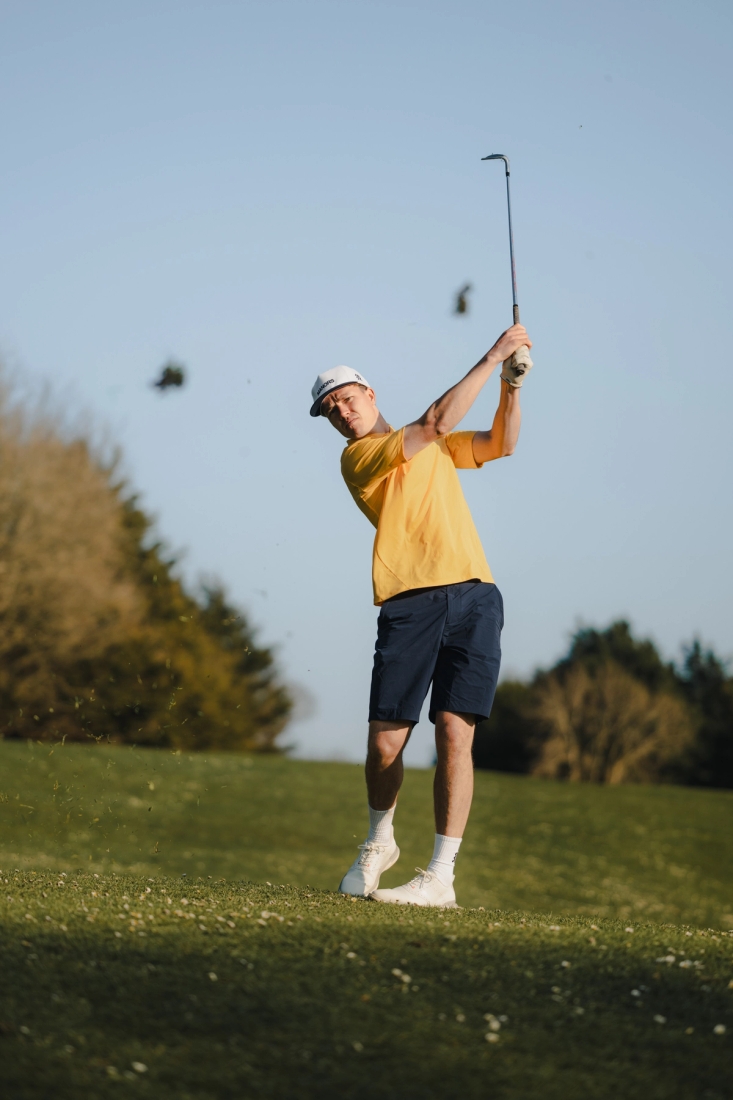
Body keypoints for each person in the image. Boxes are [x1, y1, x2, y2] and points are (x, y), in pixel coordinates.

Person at [309, 323, 532, 907]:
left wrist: (511, 387)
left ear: (370, 393)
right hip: (411, 602)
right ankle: (379, 840)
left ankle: (440, 876)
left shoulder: (433, 445)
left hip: (476, 595)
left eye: (347, 400)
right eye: (331, 411)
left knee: (456, 733)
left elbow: (501, 444)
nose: (342, 414)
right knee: (386, 745)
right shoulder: (359, 458)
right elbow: (434, 422)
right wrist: (494, 355)